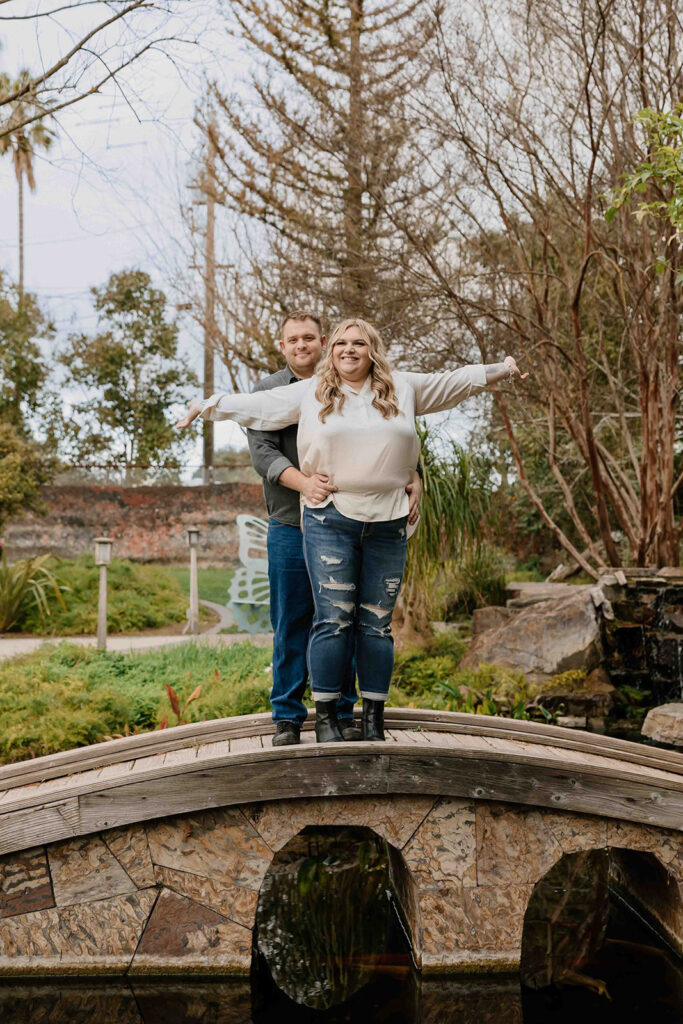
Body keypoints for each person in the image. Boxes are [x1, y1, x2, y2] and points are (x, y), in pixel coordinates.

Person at [177, 317, 527, 743]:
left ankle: (368, 721)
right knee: (327, 621)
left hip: (388, 520)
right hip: (324, 517)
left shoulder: (402, 386)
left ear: (371, 349)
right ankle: (308, 720)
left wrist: (503, 368)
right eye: (341, 343)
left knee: (375, 625)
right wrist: (208, 405)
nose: (348, 349)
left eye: (357, 343)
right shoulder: (310, 391)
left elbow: (454, 381)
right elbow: (258, 409)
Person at [246, 311, 422, 747]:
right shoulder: (271, 391)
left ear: (323, 342)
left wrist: (414, 473)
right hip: (291, 521)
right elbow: (262, 453)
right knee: (292, 621)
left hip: (351, 519)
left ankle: (341, 712)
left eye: (309, 337)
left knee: (340, 620)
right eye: (293, 339)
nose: (302, 345)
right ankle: (287, 717)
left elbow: (389, 437)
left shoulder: (355, 386)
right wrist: (303, 482)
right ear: (282, 346)